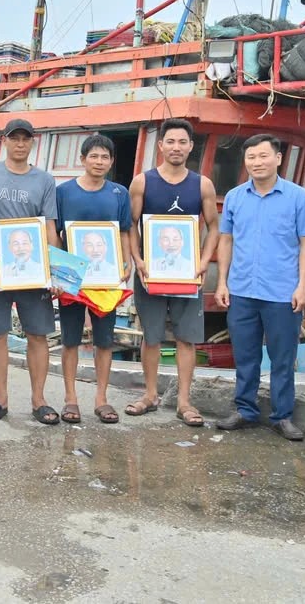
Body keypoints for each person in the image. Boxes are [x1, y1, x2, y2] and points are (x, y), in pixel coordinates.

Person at [214, 134, 305, 441]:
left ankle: (282, 416)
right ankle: (245, 410)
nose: (257, 163)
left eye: (263, 156)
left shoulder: (297, 197)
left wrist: (303, 286)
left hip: (282, 292)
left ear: (277, 158)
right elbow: (227, 240)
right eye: (251, 158)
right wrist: (222, 281)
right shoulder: (235, 197)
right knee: (244, 355)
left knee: (282, 357)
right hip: (242, 290)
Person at [127, 118, 219, 427]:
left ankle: (183, 401)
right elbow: (132, 225)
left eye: (183, 142)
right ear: (161, 145)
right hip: (150, 272)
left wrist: (204, 260)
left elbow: (214, 227)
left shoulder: (202, 184)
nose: (176, 147)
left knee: (186, 338)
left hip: (186, 273)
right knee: (151, 336)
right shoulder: (143, 182)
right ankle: (150, 395)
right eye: (171, 142)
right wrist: (138, 259)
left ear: (191, 147)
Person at [0, 118, 60, 425]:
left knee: (38, 334)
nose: (20, 143)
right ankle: (0, 398)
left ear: (32, 142)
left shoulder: (45, 180)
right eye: (14, 138)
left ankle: (39, 400)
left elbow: (49, 227)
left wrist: (54, 270)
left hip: (33, 271)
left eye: (25, 138)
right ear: (4, 140)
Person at [56, 134, 133, 425]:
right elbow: (56, 232)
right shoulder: (63, 192)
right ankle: (70, 398)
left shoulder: (118, 193)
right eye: (94, 157)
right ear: (83, 159)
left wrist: (125, 265)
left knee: (104, 340)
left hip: (106, 279)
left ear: (111, 161)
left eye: (105, 157)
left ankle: (101, 399)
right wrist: (59, 271)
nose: (99, 162)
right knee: (70, 339)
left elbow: (124, 231)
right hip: (72, 278)